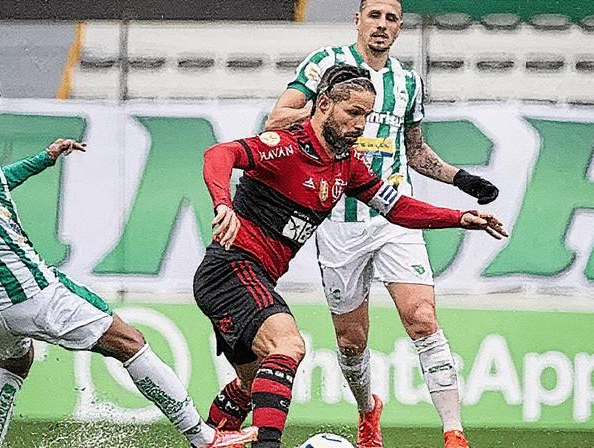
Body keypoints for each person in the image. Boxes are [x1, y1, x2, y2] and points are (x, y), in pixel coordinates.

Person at [0, 60, 258, 448]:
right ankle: (202, 438)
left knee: (16, 360)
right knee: (130, 342)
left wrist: (43, 159)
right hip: (22, 288)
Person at [197, 64, 507, 448]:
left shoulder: (345, 167)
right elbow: (219, 153)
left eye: (367, 115)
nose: (362, 125)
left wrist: (460, 217)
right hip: (232, 268)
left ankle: (203, 440)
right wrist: (223, 204)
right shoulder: (286, 146)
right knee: (289, 346)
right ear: (324, 105)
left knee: (251, 381)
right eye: (353, 113)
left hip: (251, 277)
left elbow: (397, 209)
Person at [265, 1, 501, 447]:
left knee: (422, 318)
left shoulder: (407, 82)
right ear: (358, 20)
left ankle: (454, 433)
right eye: (374, 15)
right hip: (338, 220)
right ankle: (366, 410)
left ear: (399, 28)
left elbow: (413, 150)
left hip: (394, 216)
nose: (382, 25)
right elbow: (276, 119)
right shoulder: (324, 64)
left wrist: (462, 179)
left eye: (391, 18)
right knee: (352, 341)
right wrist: (324, 115)